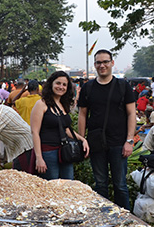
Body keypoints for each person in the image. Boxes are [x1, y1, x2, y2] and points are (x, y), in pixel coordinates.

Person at [78, 49, 136, 210]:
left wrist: (129, 140)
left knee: (120, 185)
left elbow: (132, 114)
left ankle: (125, 219)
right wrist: (82, 140)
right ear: (94, 65)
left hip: (119, 142)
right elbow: (82, 115)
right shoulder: (88, 88)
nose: (102, 65)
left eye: (105, 62)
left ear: (112, 63)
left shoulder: (122, 86)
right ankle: (103, 219)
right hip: (96, 142)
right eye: (98, 62)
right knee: (100, 184)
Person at [30, 71, 89, 179]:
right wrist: (39, 157)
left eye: (64, 85)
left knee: (67, 186)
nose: (61, 87)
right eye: (58, 83)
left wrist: (82, 140)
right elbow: (35, 132)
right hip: (48, 153)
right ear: (51, 84)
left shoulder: (63, 105)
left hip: (64, 152)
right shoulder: (41, 104)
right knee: (52, 188)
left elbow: (66, 129)